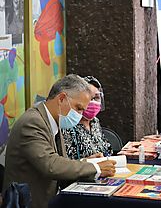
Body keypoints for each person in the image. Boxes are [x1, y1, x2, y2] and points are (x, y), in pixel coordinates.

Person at [2, 74, 116, 208]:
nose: (80, 115)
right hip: (28, 202)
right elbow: (50, 164)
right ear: (62, 98)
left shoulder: (56, 120)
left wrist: (86, 161)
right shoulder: (33, 122)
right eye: (78, 108)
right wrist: (95, 168)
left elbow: (59, 161)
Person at [62, 75, 113, 159]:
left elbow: (107, 148)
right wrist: (87, 161)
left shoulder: (95, 122)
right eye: (89, 98)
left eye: (96, 98)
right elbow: (64, 162)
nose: (92, 102)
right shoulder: (69, 123)